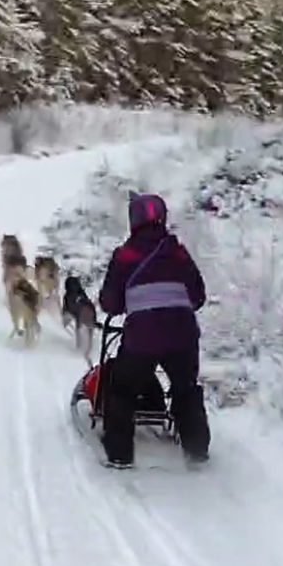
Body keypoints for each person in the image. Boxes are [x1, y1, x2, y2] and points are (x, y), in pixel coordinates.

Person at [98, 192, 210, 468]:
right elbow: (198, 295)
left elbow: (110, 302)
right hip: (183, 335)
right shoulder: (178, 252)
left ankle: (119, 454)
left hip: (142, 338)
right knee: (186, 389)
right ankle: (197, 451)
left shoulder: (126, 255)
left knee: (122, 389)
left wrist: (133, 304)